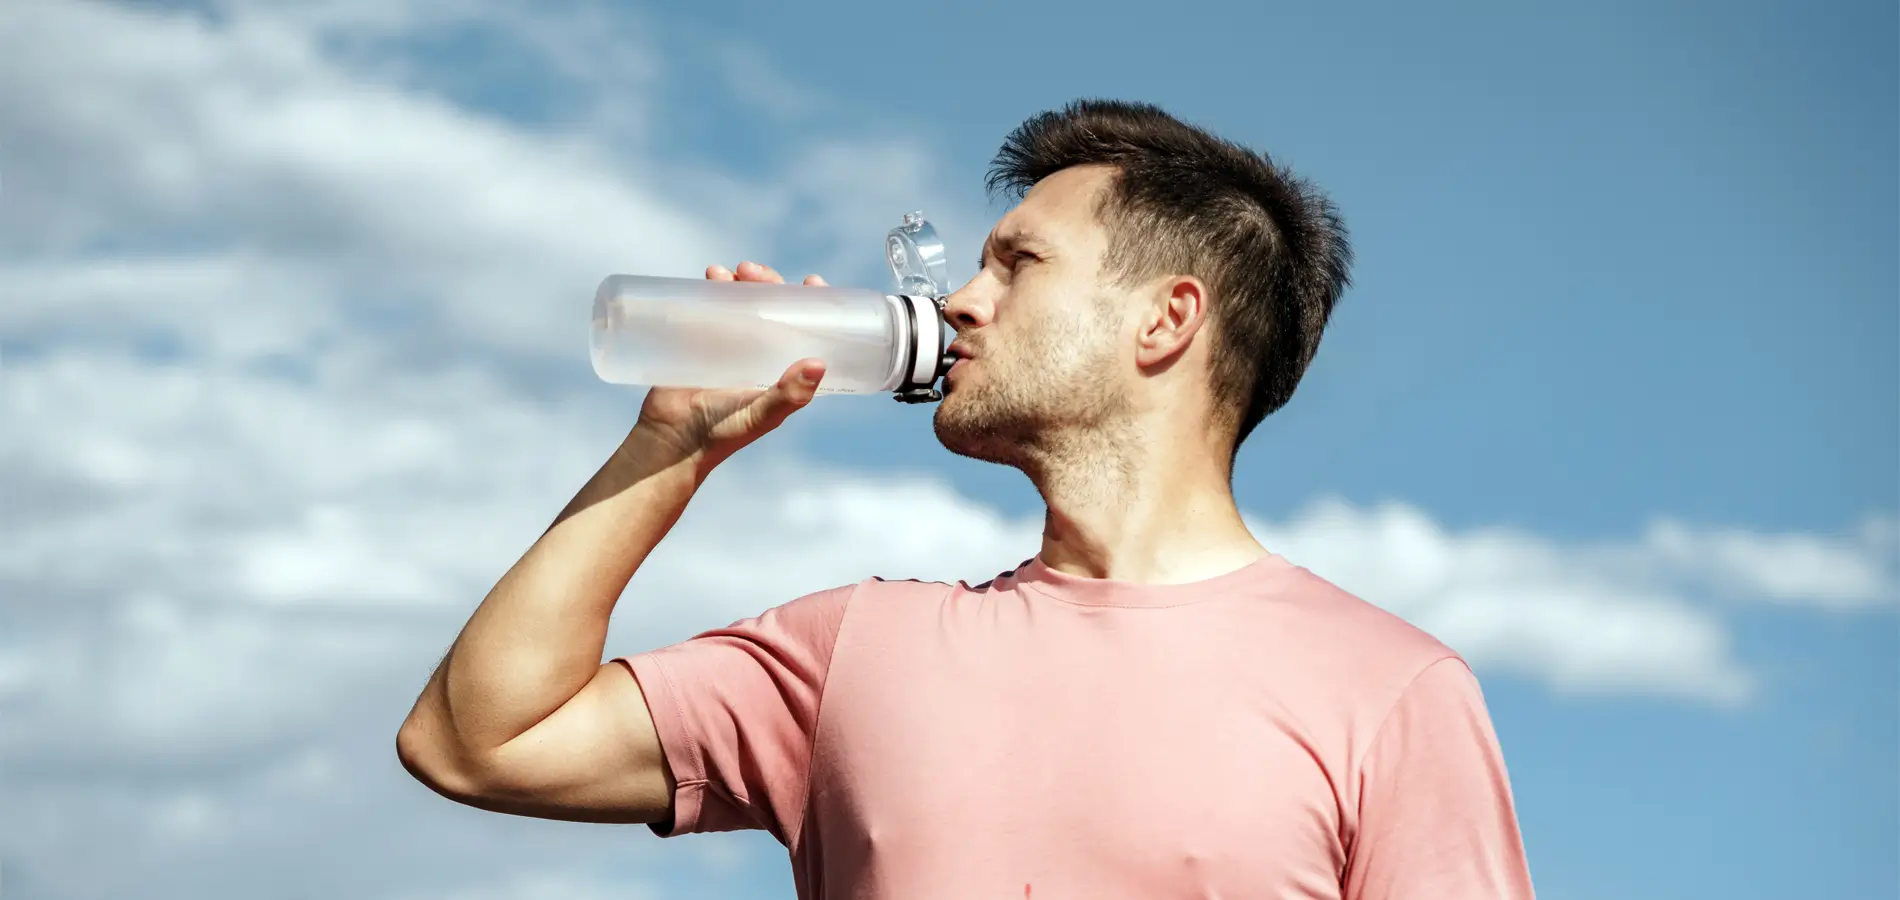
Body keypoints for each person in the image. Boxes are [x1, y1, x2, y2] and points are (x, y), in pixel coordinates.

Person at [396, 98, 1537, 899]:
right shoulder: (851, 651)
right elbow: (474, 743)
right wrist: (668, 450)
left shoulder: (1389, 692)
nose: (960, 304)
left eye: (1017, 264)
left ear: (1167, 319)